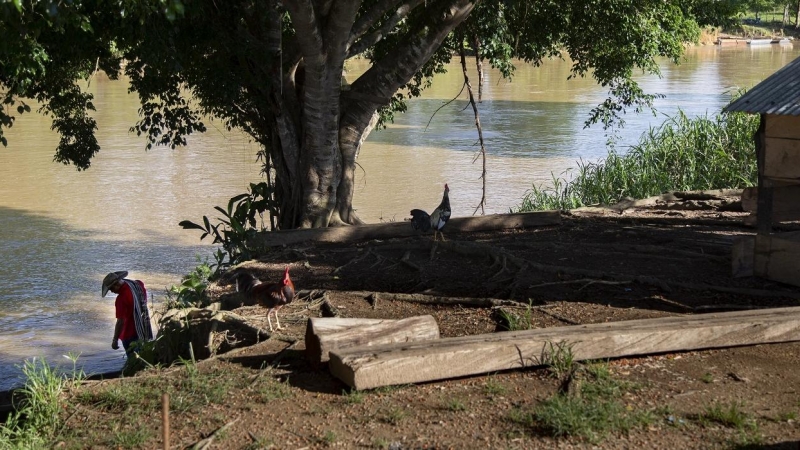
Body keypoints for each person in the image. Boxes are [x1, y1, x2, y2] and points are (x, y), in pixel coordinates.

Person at [101, 271, 154, 353]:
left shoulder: (121, 299)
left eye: (111, 288)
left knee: (133, 360)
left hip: (129, 335)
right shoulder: (138, 284)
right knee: (143, 355)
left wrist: (115, 340)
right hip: (143, 329)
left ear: (117, 284)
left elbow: (120, 322)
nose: (111, 291)